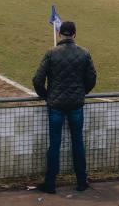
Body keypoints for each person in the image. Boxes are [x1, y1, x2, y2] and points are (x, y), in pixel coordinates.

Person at [32, 20, 97, 193]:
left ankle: (50, 183)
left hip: (56, 105)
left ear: (60, 34)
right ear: (75, 34)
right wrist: (81, 93)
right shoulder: (84, 53)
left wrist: (47, 96)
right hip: (76, 104)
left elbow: (37, 80)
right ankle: (82, 181)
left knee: (55, 144)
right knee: (78, 142)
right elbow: (92, 79)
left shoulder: (51, 53)